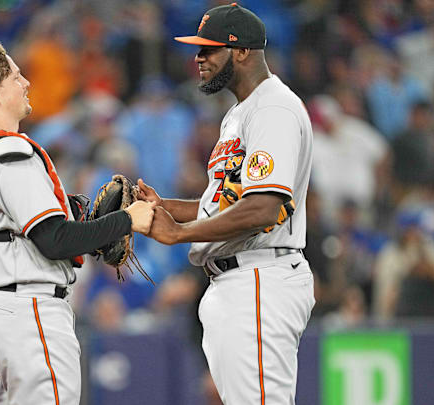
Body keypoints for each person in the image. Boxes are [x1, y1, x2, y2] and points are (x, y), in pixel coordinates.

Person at [0, 42, 154, 404]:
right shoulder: (11, 153)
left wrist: (86, 226)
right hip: (27, 312)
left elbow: (33, 233)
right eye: (15, 76)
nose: (26, 82)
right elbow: (54, 240)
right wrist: (125, 221)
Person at [139, 4, 315, 404]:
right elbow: (222, 204)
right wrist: (162, 207)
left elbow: (263, 208)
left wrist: (180, 233)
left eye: (209, 50)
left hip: (258, 277)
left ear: (241, 52)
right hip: (240, 280)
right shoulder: (240, 112)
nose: (198, 59)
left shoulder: (272, 108)